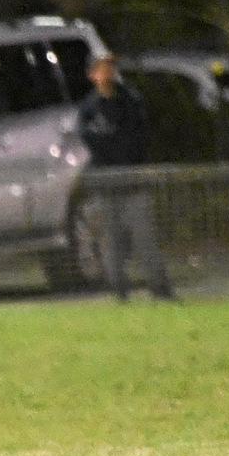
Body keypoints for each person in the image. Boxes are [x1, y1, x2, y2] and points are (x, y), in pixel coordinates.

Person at [74, 54, 173, 301]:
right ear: (92, 75)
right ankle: (119, 292)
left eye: (111, 66)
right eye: (102, 67)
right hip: (107, 182)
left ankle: (160, 291)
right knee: (113, 239)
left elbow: (138, 137)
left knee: (144, 236)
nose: (108, 72)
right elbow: (92, 142)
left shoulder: (130, 100)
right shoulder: (88, 108)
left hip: (133, 178)